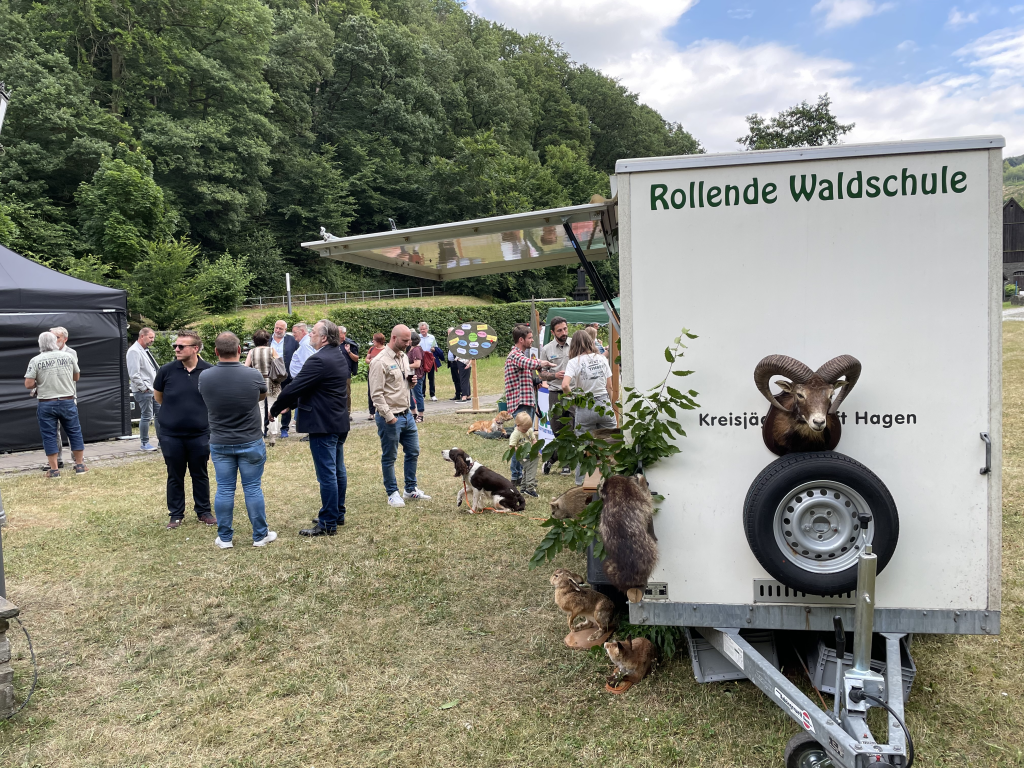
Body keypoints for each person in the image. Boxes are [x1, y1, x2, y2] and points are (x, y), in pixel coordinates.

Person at [272, 319, 351, 536]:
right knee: (337, 471)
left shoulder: (319, 360)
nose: (310, 336)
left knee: (327, 474)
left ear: (324, 338)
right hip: (337, 421)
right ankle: (336, 513)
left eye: (314, 332)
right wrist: (292, 404)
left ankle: (328, 523)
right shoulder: (338, 355)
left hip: (323, 424)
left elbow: (294, 387)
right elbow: (318, 389)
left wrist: (275, 409)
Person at [198, 332, 276, 549]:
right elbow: (260, 397)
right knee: (252, 488)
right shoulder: (253, 375)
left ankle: (225, 538)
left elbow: (204, 397)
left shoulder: (205, 376)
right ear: (240, 350)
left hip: (220, 441)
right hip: (250, 439)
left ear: (216, 352)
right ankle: (260, 535)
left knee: (224, 489)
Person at [153, 330, 216, 529]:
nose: (176, 349)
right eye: (175, 346)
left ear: (195, 349)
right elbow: (159, 397)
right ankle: (176, 514)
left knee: (200, 473)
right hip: (171, 434)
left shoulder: (209, 371)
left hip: (200, 433)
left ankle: (204, 511)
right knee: (175, 474)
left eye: (181, 346)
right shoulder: (166, 370)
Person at [368, 324, 431, 508]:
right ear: (393, 338)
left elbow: (401, 386)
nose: (408, 344)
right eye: (405, 341)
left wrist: (410, 383)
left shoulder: (403, 357)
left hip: (407, 415)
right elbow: (376, 394)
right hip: (391, 418)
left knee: (413, 451)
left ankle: (410, 489)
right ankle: (392, 493)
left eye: (409, 340)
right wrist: (389, 417)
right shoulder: (379, 361)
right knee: (390, 457)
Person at [24, 331, 86, 477]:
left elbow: (28, 384)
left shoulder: (36, 360)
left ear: (40, 344)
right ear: (55, 342)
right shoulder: (68, 356)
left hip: (47, 403)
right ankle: (80, 465)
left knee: (49, 435)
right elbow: (76, 376)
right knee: (74, 433)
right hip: (67, 400)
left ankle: (54, 470)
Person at [561, 330, 617, 485]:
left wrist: (573, 399)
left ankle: (581, 483)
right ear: (590, 342)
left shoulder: (574, 362)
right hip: (603, 403)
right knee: (611, 445)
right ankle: (612, 480)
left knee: (583, 448)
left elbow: (565, 384)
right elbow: (610, 386)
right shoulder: (601, 359)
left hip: (584, 405)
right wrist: (609, 405)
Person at [503, 324, 555, 484]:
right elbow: (529, 364)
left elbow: (525, 375)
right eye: (530, 338)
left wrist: (537, 381)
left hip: (525, 401)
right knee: (521, 440)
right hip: (520, 403)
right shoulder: (515, 355)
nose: (532, 340)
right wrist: (544, 363)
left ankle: (519, 476)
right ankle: (516, 477)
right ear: (521, 339)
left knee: (523, 440)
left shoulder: (521, 356)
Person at [539, 316, 572, 476]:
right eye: (560, 330)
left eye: (565, 329)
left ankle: (559, 461)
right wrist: (554, 376)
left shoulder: (574, 344)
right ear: (552, 332)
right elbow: (541, 375)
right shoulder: (546, 349)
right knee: (558, 431)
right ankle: (556, 460)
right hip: (555, 394)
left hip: (572, 393)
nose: (564, 332)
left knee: (572, 429)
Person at [244, 329, 283, 447]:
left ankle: (260, 434)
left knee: (259, 409)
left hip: (257, 382)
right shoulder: (272, 350)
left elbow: (246, 367)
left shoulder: (252, 352)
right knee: (273, 408)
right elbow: (280, 365)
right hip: (272, 382)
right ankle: (273, 435)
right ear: (267, 340)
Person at [127, 327, 161, 452]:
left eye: (153, 338)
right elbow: (134, 373)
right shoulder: (134, 351)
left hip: (154, 389)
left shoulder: (145, 350)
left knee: (159, 415)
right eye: (150, 337)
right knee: (146, 416)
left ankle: (161, 441)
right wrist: (144, 388)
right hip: (145, 390)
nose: (152, 340)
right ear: (142, 336)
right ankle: (144, 442)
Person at [49, 326, 77, 468]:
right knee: (53, 430)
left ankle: (77, 460)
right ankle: (57, 460)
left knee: (72, 428)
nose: (54, 340)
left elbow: (74, 375)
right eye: (52, 337)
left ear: (65, 339)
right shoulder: (46, 353)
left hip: (67, 396)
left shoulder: (71, 353)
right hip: (50, 397)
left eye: (57, 337)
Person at [271, 320, 299, 438]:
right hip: (270, 376)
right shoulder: (268, 340)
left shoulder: (291, 341)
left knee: (286, 400)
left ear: (285, 330)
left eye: (280, 329)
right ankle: (267, 425)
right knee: (270, 401)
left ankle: (284, 428)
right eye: (276, 328)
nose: (277, 330)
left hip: (286, 376)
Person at [508, 411, 539, 497]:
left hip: (530, 453)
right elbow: (512, 446)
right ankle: (530, 488)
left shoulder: (529, 430)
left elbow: (533, 439)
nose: (526, 431)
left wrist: (535, 444)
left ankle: (523, 487)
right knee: (531, 468)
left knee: (528, 468)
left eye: (528, 428)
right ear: (518, 425)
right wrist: (521, 452)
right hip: (522, 455)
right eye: (524, 429)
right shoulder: (515, 434)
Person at [366, 332, 387, 420]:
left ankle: (383, 410)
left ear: (379, 341)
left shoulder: (386, 350)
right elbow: (367, 359)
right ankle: (372, 412)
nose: (373, 341)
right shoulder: (371, 349)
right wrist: (371, 360)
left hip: (382, 373)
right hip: (372, 373)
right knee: (371, 392)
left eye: (374, 340)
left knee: (383, 392)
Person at [417, 322, 438, 401]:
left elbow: (436, 347)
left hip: (430, 359)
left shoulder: (432, 337)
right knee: (422, 377)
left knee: (431, 377)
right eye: (421, 329)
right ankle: (422, 394)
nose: (423, 331)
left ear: (427, 329)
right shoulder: (418, 337)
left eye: (424, 329)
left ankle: (432, 394)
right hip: (421, 359)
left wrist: (434, 349)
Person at [407, 331, 425, 422]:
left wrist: (404, 366)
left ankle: (420, 415)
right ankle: (413, 413)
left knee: (417, 395)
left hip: (417, 375)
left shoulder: (416, 349)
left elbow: (417, 364)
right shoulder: (411, 348)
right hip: (410, 374)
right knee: (409, 394)